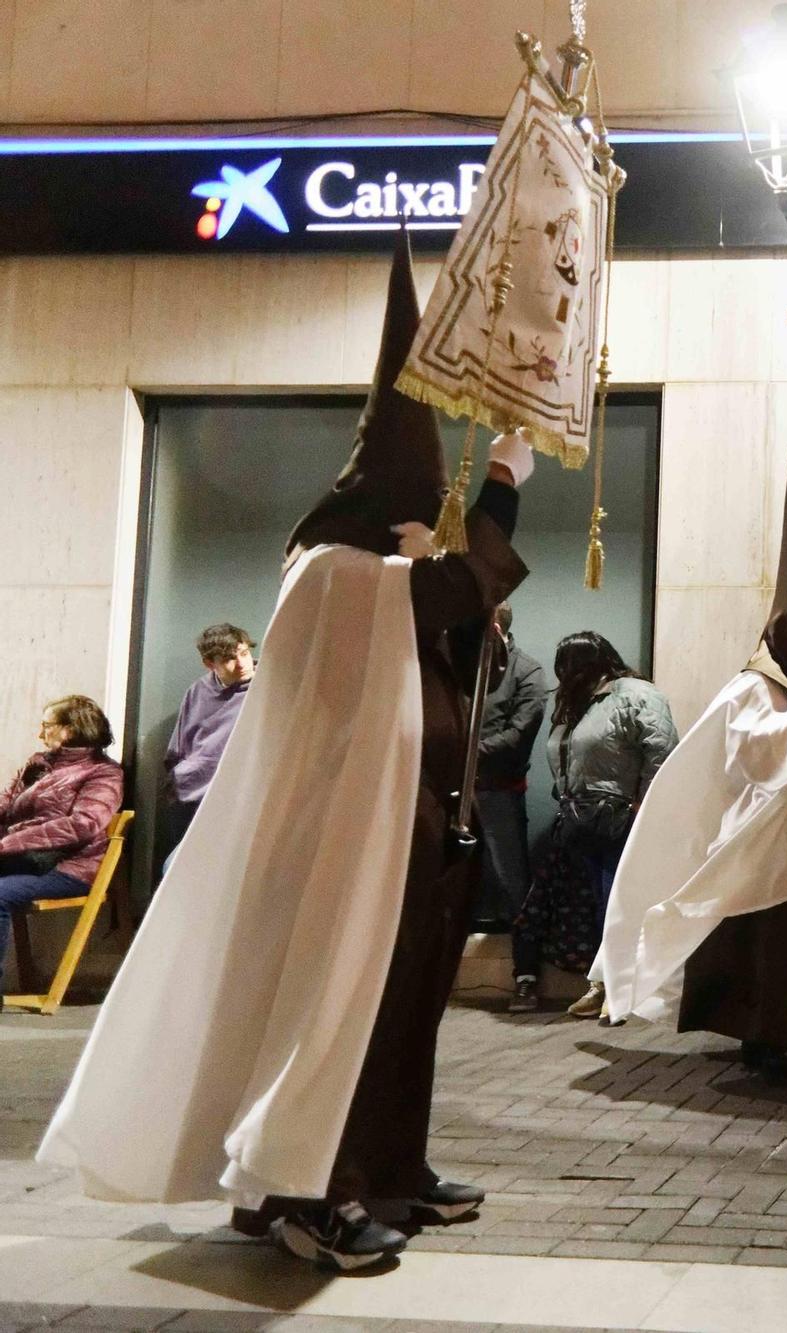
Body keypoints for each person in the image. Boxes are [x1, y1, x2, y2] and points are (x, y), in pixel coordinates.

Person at [42, 237, 529, 1269]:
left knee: (396, 1011)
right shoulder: (328, 572)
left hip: (414, 826)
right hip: (341, 842)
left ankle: (387, 1164)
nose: (422, 530)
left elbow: (444, 628)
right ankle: (303, 1190)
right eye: (414, 508)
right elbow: (450, 590)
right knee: (329, 1003)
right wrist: (502, 491)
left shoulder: (380, 578)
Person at [592, 456, 787, 1093]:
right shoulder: (751, 688)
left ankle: (773, 1037)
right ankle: (766, 1042)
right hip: (756, 843)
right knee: (758, 949)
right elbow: (746, 752)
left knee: (783, 953)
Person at [510, 632, 676, 1017]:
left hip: (617, 815)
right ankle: (605, 985)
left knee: (615, 903)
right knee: (598, 904)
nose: (563, 673)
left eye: (569, 664)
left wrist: (643, 805)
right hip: (580, 818)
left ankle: (616, 988)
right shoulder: (580, 703)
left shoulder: (634, 694)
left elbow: (662, 747)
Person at [0, 697, 124, 966]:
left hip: (70, 867)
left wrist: (8, 843)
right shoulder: (39, 764)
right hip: (25, 859)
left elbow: (84, 823)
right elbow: (5, 804)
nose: (40, 734)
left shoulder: (103, 773)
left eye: (47, 726)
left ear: (70, 729)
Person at [470, 603, 547, 934]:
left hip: (498, 786)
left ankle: (525, 964)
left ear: (496, 628)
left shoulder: (526, 671)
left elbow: (518, 734)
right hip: (458, 787)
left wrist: (467, 751)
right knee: (464, 872)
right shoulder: (466, 665)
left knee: (510, 873)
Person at [158, 623, 255, 867]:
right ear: (210, 664)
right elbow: (178, 747)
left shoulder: (265, 686)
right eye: (230, 659)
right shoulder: (198, 691)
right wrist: (182, 776)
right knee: (176, 868)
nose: (242, 664)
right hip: (191, 795)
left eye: (244, 653)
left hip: (237, 796)